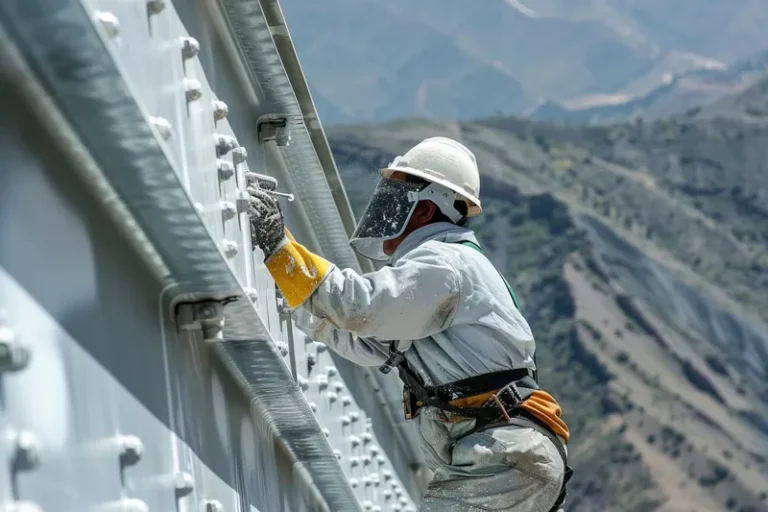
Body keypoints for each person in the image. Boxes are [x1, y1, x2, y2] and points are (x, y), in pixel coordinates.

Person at [247, 136, 571, 511]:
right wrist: (288, 287)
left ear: (424, 211)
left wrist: (280, 250)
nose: (385, 210)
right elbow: (366, 341)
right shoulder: (439, 272)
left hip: (505, 457)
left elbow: (359, 308)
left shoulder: (442, 263)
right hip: (507, 456)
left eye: (396, 198)